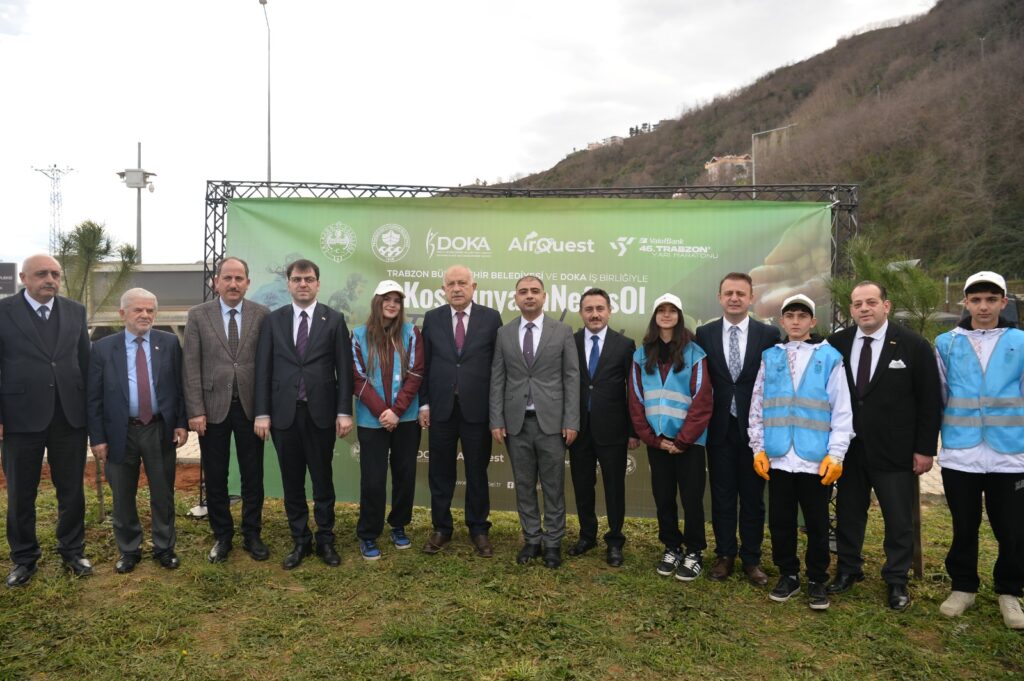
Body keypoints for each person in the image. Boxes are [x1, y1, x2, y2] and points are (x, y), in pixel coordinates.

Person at [827, 281, 941, 610]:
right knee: (848, 513)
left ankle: (896, 579)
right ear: (851, 310)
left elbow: (929, 400)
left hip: (896, 449)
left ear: (886, 306)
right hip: (850, 449)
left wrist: (925, 449)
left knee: (898, 517)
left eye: (871, 302)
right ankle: (848, 569)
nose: (864, 308)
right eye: (857, 304)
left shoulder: (913, 345)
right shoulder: (836, 343)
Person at [748, 293, 853, 610]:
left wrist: (836, 455)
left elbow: (842, 410)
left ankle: (817, 578)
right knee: (781, 521)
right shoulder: (770, 357)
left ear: (812, 321)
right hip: (779, 456)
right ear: (782, 321)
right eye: (790, 316)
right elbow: (757, 405)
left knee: (817, 523)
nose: (796, 321)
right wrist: (758, 448)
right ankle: (788, 574)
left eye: (802, 316)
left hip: (815, 459)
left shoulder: (830, 357)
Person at [934, 271, 1024, 630]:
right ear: (966, 303)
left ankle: (1009, 590)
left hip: (1010, 454)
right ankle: (963, 586)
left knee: (1012, 528)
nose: (983, 306)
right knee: (963, 525)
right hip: (961, 451)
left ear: (1003, 302)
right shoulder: (946, 343)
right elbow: (939, 395)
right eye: (976, 300)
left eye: (990, 299)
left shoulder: (1020, 341)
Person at [253, 258, 354, 570]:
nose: (303, 284)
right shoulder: (273, 320)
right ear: (288, 284)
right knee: (292, 482)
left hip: (321, 414)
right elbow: (263, 369)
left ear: (318, 284)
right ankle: (300, 539)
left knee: (323, 480)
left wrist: (344, 411)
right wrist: (261, 413)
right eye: (297, 279)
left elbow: (344, 370)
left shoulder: (334, 320)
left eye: (309, 279)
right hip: (284, 416)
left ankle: (325, 539)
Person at [1, 254, 92, 587]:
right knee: (21, 493)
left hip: (69, 417)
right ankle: (24, 558)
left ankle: (72, 550)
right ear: (24, 278)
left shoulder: (75, 311)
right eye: (42, 274)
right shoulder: (4, 311)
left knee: (71, 490)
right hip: (19, 419)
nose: (50, 279)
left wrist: (91, 414)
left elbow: (85, 362)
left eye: (55, 274)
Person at [87, 288, 188, 573]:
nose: (145, 315)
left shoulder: (169, 343)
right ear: (123, 314)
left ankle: (164, 547)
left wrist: (181, 422)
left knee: (163, 492)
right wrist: (98, 438)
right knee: (122, 494)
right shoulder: (103, 348)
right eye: (138, 310)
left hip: (159, 429)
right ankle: (129, 550)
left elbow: (179, 386)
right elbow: (93, 397)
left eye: (150, 310)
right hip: (119, 432)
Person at [183, 257, 271, 563]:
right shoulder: (198, 315)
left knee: (253, 475)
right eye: (228, 278)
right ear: (216, 282)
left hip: (250, 409)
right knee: (216, 475)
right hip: (211, 410)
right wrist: (195, 410)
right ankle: (222, 535)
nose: (233, 284)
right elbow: (190, 365)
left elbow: (268, 365)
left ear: (248, 283)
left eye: (239, 278)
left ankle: (252, 534)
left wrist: (265, 410)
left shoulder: (262, 315)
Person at [695, 273, 781, 585]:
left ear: (751, 298)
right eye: (729, 293)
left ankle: (752, 558)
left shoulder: (768, 334)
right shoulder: (704, 334)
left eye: (740, 294)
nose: (734, 298)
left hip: (755, 430)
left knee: (753, 497)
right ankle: (725, 555)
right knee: (722, 495)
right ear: (719, 297)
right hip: (718, 427)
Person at [490, 276, 579, 569]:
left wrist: (571, 420)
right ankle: (531, 539)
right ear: (516, 298)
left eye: (534, 291)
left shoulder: (562, 331)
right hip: (516, 423)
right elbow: (498, 378)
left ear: (544, 296)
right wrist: (496, 419)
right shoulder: (504, 333)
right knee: (524, 484)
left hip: (552, 424)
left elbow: (571, 377)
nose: (529, 296)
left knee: (553, 486)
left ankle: (553, 542)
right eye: (523, 292)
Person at [418, 265, 502, 557]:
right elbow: (424, 365)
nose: (456, 288)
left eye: (462, 283)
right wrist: (424, 403)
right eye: (451, 284)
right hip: (441, 409)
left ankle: (478, 529)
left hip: (477, 410)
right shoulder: (432, 318)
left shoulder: (491, 318)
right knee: (440, 472)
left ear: (473, 287)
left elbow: (498, 367)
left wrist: (496, 410)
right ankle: (441, 528)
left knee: (477, 471)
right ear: (443, 289)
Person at [628, 293, 712, 582]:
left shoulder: (695, 353)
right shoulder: (641, 355)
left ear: (679, 316)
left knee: (691, 498)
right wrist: (653, 439)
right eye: (661, 310)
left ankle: (694, 551)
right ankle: (671, 547)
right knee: (663, 497)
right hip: (658, 442)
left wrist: (683, 440)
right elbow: (636, 399)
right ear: (655, 317)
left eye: (672, 310)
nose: (666, 315)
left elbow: (702, 400)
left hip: (689, 443)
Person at [351, 280, 424, 560]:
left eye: (397, 300)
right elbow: (357, 378)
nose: (392, 304)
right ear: (377, 302)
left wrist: (397, 411)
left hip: (405, 419)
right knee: (373, 480)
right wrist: (384, 411)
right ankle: (368, 533)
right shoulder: (358, 335)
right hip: (372, 421)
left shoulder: (411, 333)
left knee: (405, 475)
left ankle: (398, 525)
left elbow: (416, 373)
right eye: (386, 299)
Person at [567, 288, 638, 567]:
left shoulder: (625, 344)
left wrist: (633, 431)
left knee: (614, 488)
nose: (594, 314)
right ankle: (587, 536)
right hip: (578, 429)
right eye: (589, 309)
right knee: (582, 485)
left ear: (609, 311)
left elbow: (633, 390)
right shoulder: (570, 342)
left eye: (600, 308)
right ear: (581, 313)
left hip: (613, 429)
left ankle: (615, 541)